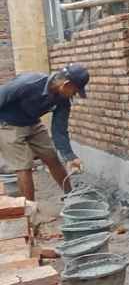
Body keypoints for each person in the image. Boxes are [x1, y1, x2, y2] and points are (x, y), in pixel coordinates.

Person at [0, 65, 89, 201]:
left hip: (32, 122)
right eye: (75, 91)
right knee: (23, 167)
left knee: (52, 157)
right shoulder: (28, 84)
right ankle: (30, 210)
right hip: (9, 124)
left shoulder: (63, 100)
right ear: (66, 84)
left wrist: (70, 157)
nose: (74, 95)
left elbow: (59, 131)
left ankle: (71, 197)